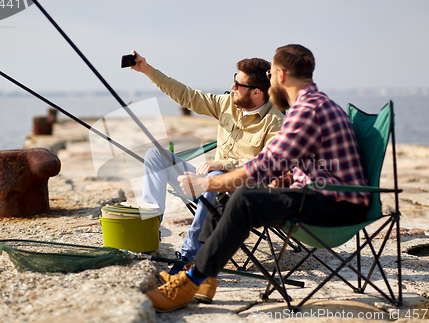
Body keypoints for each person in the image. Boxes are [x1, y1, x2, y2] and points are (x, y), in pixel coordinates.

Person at [145, 44, 372, 312]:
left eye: (271, 74)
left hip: (335, 206)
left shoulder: (306, 111)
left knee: (241, 198)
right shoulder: (311, 104)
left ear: (281, 76)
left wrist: (211, 182)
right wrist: (285, 178)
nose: (270, 79)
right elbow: (303, 164)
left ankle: (190, 281)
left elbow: (265, 165)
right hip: (318, 195)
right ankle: (202, 275)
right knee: (233, 196)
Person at [129, 51, 284, 277]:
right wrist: (147, 70)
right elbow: (187, 96)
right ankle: (150, 231)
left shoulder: (275, 121)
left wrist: (222, 164)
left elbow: (268, 163)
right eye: (234, 80)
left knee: (215, 177)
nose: (232, 87)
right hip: (205, 183)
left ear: (257, 92)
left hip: (239, 193)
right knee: (156, 155)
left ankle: (189, 256)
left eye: (238, 84)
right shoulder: (227, 104)